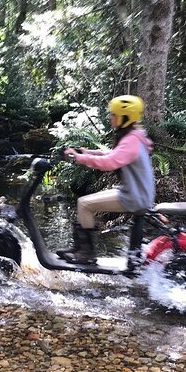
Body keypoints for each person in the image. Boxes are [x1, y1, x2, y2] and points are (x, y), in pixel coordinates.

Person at [59, 95, 155, 264]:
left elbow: (110, 162)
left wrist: (81, 158)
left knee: (84, 204)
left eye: (114, 115)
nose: (111, 118)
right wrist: (86, 153)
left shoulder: (131, 140)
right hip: (137, 193)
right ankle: (80, 248)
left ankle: (86, 254)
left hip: (135, 196)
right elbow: (112, 154)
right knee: (85, 203)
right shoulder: (133, 137)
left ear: (125, 118)